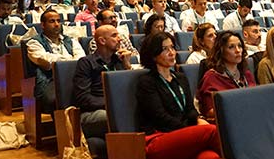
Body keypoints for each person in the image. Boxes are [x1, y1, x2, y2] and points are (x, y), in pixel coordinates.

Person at [136, 32, 221, 159]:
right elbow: (160, 117)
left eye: (172, 48)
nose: (171, 53)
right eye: (165, 49)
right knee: (212, 131)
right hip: (158, 137)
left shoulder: (180, 77)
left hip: (184, 134)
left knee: (210, 156)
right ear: (153, 55)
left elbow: (190, 109)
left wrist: (196, 120)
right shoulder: (146, 82)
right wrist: (190, 127)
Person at [73, 25, 131, 158]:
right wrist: (111, 106)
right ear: (102, 41)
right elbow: (83, 98)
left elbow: (129, 89)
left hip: (119, 109)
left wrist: (127, 65)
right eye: (114, 36)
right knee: (118, 117)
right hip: (92, 113)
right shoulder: (86, 63)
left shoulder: (119, 61)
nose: (120, 39)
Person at [27, 9, 86, 114]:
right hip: (50, 82)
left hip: (75, 79)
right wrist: (70, 60)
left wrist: (61, 61)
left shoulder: (70, 40)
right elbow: (47, 62)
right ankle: (61, 128)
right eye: (52, 21)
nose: (57, 24)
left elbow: (81, 59)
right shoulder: (34, 43)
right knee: (57, 99)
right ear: (43, 25)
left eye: (59, 21)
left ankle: (82, 126)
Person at [197, 31, 256, 118]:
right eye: (231, 47)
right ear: (221, 51)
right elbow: (210, 111)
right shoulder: (211, 77)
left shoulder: (246, 74)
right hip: (228, 121)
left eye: (240, 46)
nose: (238, 50)